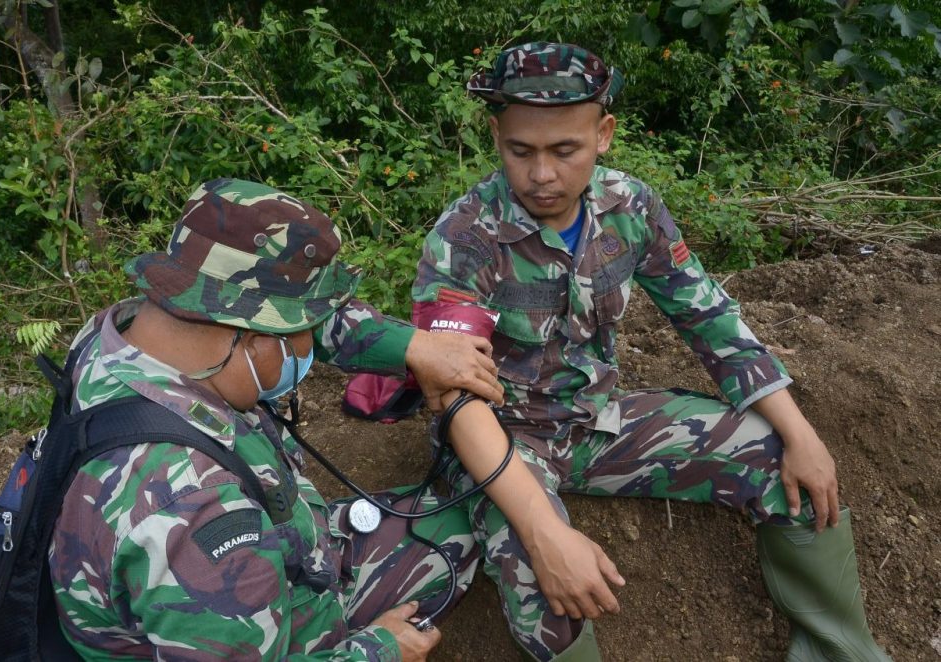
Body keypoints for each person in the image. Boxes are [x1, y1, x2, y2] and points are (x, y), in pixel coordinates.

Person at [412, 42, 890, 661]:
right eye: (519, 151)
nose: (542, 175)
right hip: (497, 442)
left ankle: (840, 654)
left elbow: (708, 317)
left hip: (596, 423)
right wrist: (546, 531)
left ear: (603, 134)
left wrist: (800, 432)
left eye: (565, 150)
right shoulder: (464, 237)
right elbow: (455, 395)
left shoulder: (630, 209)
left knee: (781, 464)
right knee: (549, 583)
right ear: (496, 135)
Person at [48, 178, 504, 660]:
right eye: (302, 332)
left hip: (268, 563)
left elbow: (319, 324)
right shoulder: (195, 510)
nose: (311, 346)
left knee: (447, 520)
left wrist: (415, 348)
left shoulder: (120, 337)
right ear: (256, 336)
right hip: (256, 624)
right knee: (454, 537)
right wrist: (380, 651)